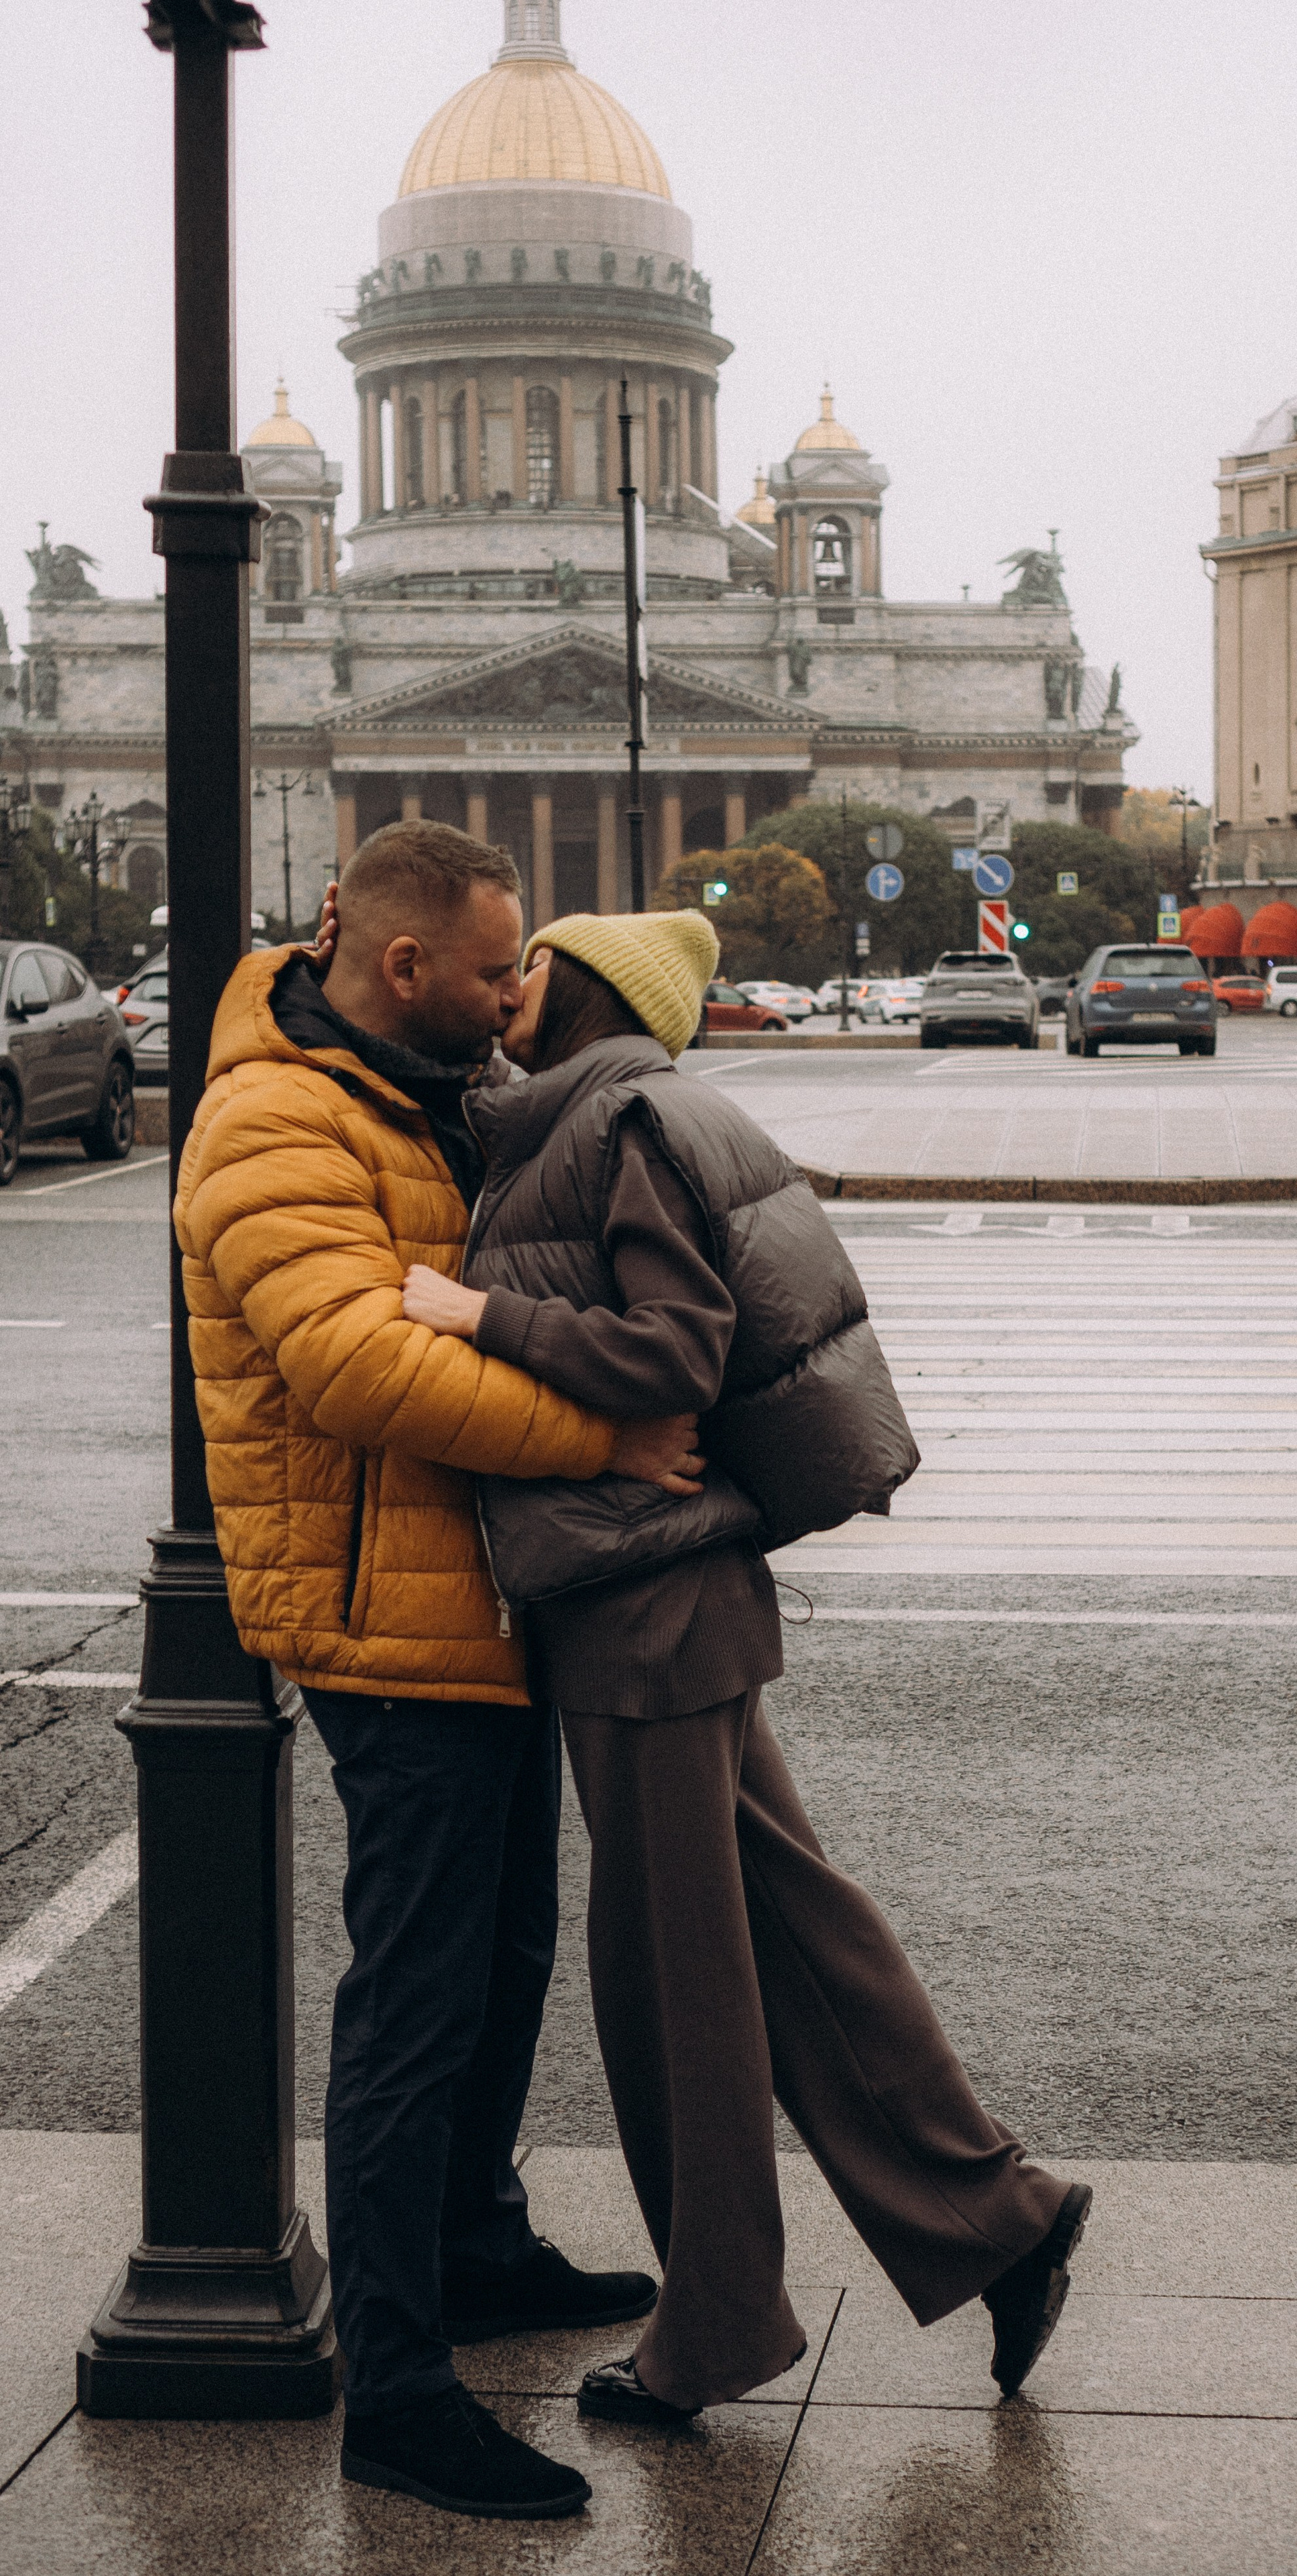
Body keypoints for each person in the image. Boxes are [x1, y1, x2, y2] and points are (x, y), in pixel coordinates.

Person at [399, 908, 1091, 2426]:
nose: (510, 987)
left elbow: (673, 1354)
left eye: (533, 967)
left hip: (640, 1601)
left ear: (585, 992)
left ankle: (712, 2328)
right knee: (791, 1939)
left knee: (673, 1988)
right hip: (668, 1599)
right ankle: (999, 2218)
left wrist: (476, 1311)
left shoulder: (623, 1120)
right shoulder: (614, 1107)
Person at [174, 824, 704, 2522]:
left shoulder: (410, 1084)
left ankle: (473, 2250)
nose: (513, 1004)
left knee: (498, 1960)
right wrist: (606, 1431)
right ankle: (398, 2391)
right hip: (383, 1615)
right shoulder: (273, 1118)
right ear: (402, 968)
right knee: (414, 2004)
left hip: (472, 1593)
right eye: (493, 975)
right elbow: (351, 1367)